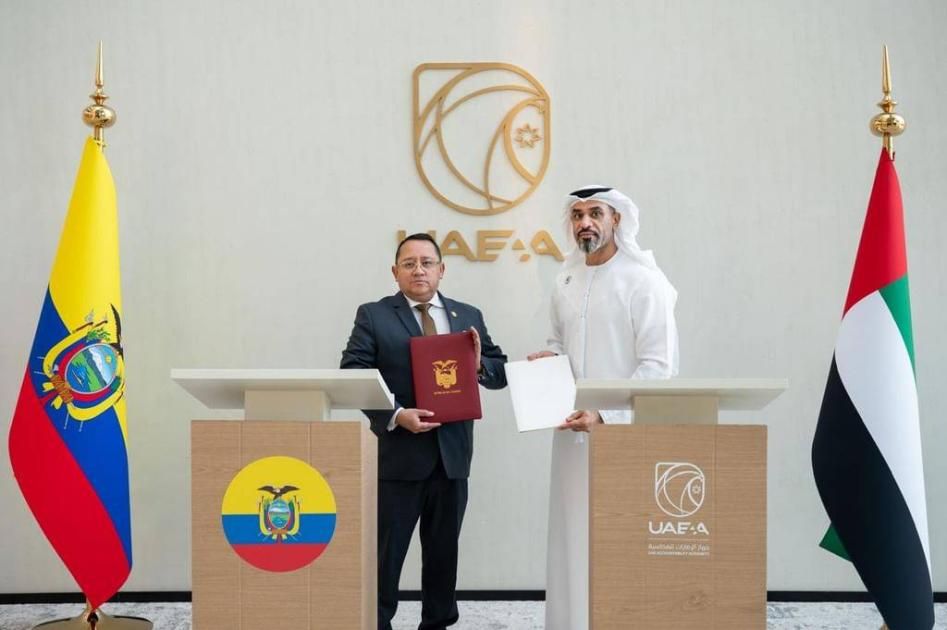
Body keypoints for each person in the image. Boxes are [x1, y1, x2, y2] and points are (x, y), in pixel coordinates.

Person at [528, 185, 679, 630]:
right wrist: (548, 362)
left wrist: (608, 416)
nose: (585, 223)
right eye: (577, 215)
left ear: (617, 220)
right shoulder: (565, 281)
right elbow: (559, 345)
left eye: (595, 213)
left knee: (621, 540)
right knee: (572, 537)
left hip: (625, 436)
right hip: (572, 431)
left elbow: (659, 367)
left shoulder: (643, 281)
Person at [341, 232, 507, 630]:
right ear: (395, 271)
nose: (419, 270)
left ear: (441, 270)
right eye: (409, 263)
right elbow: (353, 373)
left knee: (443, 555)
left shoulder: (468, 315)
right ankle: (375, 622)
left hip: (452, 459)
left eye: (427, 262)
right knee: (386, 557)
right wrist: (396, 415)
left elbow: (500, 371)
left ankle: (437, 623)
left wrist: (479, 363)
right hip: (399, 457)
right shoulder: (374, 315)